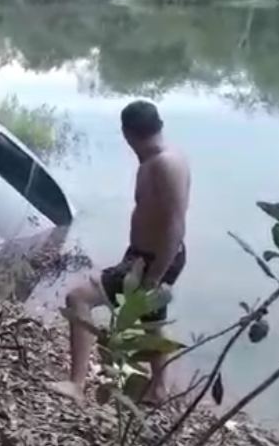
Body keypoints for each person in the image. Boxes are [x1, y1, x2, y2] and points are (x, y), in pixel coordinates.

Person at [62, 100, 191, 404]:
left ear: (127, 133)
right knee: (150, 321)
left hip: (152, 261)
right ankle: (159, 389)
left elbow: (176, 226)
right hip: (145, 256)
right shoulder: (157, 159)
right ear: (159, 125)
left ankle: (76, 385)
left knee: (78, 298)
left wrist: (153, 277)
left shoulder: (165, 164)